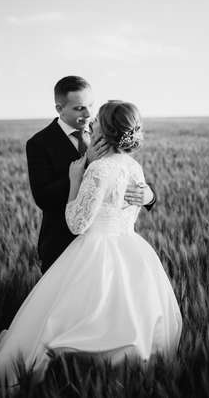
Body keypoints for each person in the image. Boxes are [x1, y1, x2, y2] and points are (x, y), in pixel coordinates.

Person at [0, 100, 182, 398]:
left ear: (103, 130)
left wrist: (74, 180)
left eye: (95, 117)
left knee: (62, 319)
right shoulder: (134, 166)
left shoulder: (99, 170)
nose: (90, 120)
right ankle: (120, 377)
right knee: (129, 314)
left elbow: (77, 224)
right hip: (131, 249)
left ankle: (68, 374)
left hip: (94, 251)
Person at [26, 76, 156, 273]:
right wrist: (87, 164)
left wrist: (149, 196)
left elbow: (125, 172)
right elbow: (43, 198)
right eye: (79, 108)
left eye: (90, 106)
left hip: (109, 252)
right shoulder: (39, 143)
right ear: (59, 109)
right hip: (62, 244)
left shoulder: (108, 133)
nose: (88, 114)